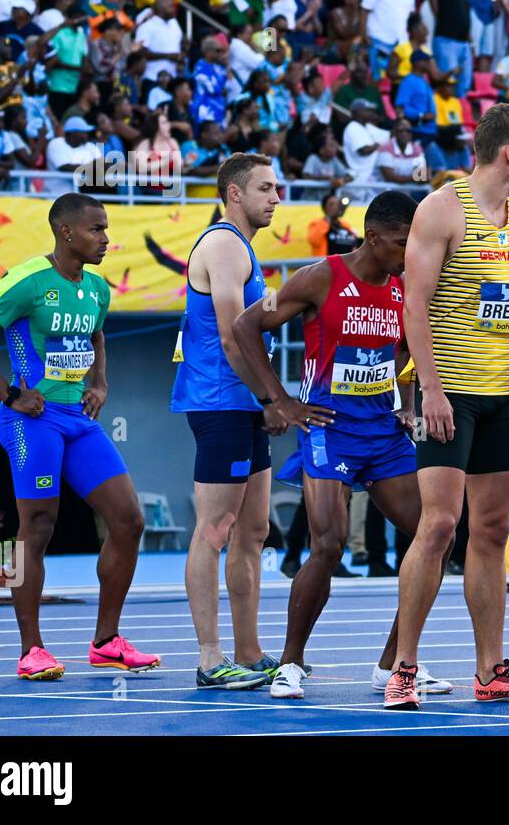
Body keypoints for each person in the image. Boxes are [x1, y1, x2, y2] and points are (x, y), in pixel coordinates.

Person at [232, 190, 454, 701]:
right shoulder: (321, 276)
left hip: (383, 430)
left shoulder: (406, 285)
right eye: (403, 242)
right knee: (328, 544)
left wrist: (406, 401)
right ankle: (290, 664)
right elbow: (246, 326)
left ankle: (394, 666)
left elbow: (405, 348)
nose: (411, 252)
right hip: (329, 428)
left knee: (435, 535)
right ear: (372, 237)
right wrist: (281, 401)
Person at [0, 193, 159, 680]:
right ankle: (32, 650)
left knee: (128, 520)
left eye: (107, 229)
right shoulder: (28, 280)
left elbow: (97, 334)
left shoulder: (97, 288)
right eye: (96, 230)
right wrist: (9, 394)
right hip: (31, 420)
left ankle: (107, 641)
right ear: (66, 232)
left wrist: (100, 382)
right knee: (39, 525)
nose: (106, 239)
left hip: (78, 419)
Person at [392, 104, 509, 707]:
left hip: (500, 395)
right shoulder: (440, 208)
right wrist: (429, 389)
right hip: (450, 393)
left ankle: (491, 669)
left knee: (493, 530)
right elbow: (413, 307)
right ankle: (404, 666)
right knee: (438, 526)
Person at [171, 154, 315, 691]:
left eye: (278, 188)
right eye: (266, 188)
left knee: (253, 530)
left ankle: (249, 650)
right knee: (215, 530)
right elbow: (234, 334)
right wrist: (272, 398)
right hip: (221, 402)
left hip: (242, 404)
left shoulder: (243, 246)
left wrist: (264, 400)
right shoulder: (224, 244)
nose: (277, 198)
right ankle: (210, 659)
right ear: (234, 193)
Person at [307, 190, 359, 256]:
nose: (336, 206)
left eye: (338, 203)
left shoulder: (345, 225)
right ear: (324, 208)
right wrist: (328, 219)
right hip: (326, 265)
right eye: (331, 204)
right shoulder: (316, 223)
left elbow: (355, 244)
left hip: (347, 264)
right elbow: (314, 241)